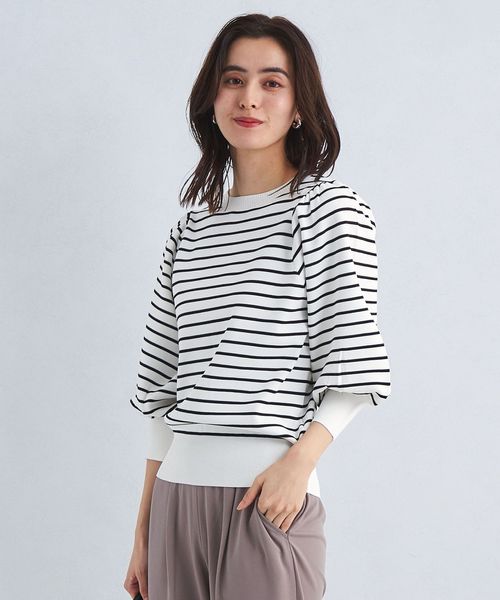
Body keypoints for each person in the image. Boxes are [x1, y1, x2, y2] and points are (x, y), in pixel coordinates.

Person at [123, 13, 392, 600]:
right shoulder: (190, 232)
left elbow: (355, 358)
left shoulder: (327, 209)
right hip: (175, 501)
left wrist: (299, 464)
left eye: (272, 82)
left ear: (298, 106)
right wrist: (143, 529)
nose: (249, 98)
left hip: (267, 498)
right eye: (233, 80)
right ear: (211, 98)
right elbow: (161, 390)